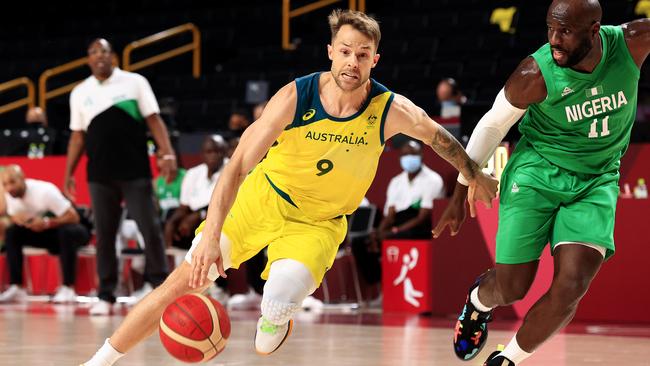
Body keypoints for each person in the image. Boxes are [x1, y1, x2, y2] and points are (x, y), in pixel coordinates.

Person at [80, 10, 497, 365]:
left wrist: (473, 174)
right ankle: (99, 361)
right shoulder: (297, 97)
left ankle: (277, 316)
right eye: (346, 52)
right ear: (331, 52)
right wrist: (210, 235)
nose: (353, 62)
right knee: (182, 282)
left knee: (273, 312)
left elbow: (440, 137)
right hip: (261, 200)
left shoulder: (390, 109)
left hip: (318, 223)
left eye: (363, 55)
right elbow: (238, 164)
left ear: (375, 60)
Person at [433, 1, 650, 364]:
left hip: (596, 180)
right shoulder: (535, 72)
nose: (554, 40)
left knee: (571, 288)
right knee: (512, 287)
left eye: (565, 31)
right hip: (537, 172)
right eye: (550, 28)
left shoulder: (632, 43)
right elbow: (491, 125)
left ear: (594, 30)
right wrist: (461, 187)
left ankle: (508, 360)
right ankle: (477, 302)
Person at [64, 38, 175, 315]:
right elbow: (78, 136)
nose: (99, 56)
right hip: (100, 173)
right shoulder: (79, 92)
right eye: (93, 52)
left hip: (134, 169)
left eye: (104, 51)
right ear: (88, 60)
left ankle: (157, 285)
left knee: (149, 227)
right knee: (104, 234)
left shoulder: (134, 82)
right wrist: (68, 172)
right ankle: (106, 294)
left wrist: (168, 153)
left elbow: (153, 120)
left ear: (112, 56)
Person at [0, 165, 89, 303]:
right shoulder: (10, 195)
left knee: (66, 232)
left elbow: (74, 217)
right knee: (12, 233)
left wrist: (47, 222)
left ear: (22, 178)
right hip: (47, 234)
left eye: (12, 182)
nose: (9, 188)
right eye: (5, 184)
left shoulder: (44, 191)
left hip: (76, 231)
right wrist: (19, 220)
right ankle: (17, 287)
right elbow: (14, 216)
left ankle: (67, 288)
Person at [377, 139, 445, 240]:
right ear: (400, 158)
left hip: (418, 227)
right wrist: (379, 233)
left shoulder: (433, 180)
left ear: (421, 156)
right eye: (405, 155)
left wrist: (394, 232)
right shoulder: (395, 182)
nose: (409, 158)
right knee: (363, 241)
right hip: (397, 223)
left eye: (413, 154)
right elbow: (390, 216)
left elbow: (423, 218)